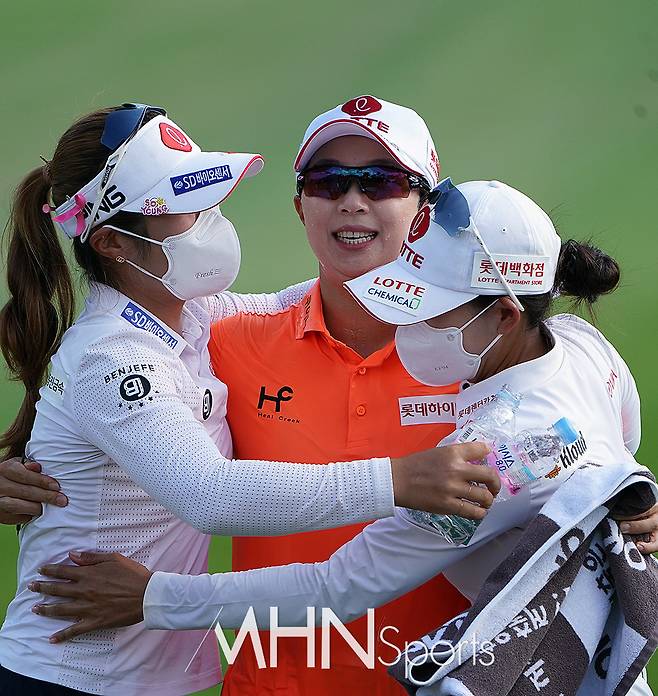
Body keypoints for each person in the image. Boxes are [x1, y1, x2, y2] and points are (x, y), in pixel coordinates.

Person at [32, 179, 655, 695]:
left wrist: (154, 598)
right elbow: (622, 450)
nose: (404, 321)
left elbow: (336, 588)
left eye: (427, 308)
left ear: (504, 315)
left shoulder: (492, 463)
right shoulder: (580, 345)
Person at [0, 104, 497, 696]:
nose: (213, 222)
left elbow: (314, 299)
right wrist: (400, 479)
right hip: (72, 672)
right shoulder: (122, 353)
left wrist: (513, 287)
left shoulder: (196, 320)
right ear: (113, 243)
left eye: (382, 181)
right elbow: (210, 494)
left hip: (146, 677)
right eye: (327, 181)